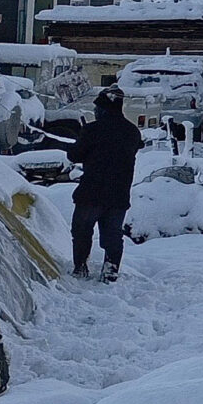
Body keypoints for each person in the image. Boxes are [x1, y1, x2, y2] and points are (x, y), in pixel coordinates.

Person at [71, 85, 141, 281]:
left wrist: (81, 140)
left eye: (97, 108)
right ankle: (110, 269)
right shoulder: (132, 132)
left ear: (102, 109)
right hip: (119, 193)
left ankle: (80, 266)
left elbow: (75, 155)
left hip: (91, 192)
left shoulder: (92, 130)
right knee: (112, 234)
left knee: (82, 230)